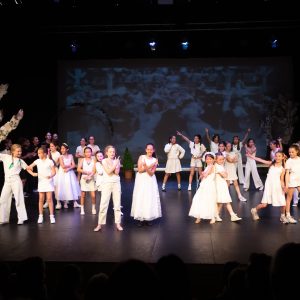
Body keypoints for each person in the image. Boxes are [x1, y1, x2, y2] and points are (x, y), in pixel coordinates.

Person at [0, 144, 35, 225]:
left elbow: (28, 168)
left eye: (20, 151)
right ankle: (3, 218)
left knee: (19, 199)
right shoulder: (6, 157)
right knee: (2, 199)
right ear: (12, 151)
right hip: (7, 181)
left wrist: (33, 171)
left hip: (16, 180)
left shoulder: (20, 161)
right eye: (18, 151)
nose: (20, 152)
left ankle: (21, 218)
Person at [249, 151, 287, 223]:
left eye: (279, 156)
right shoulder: (271, 164)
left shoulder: (283, 168)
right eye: (276, 156)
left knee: (283, 202)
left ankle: (282, 216)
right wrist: (252, 157)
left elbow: (282, 180)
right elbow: (261, 160)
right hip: (269, 186)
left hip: (277, 186)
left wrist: (283, 187)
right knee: (264, 204)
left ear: (282, 157)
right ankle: (254, 210)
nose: (277, 157)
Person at [131, 143, 161, 226]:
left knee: (149, 198)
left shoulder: (155, 160)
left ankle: (148, 217)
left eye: (151, 149)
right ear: (146, 150)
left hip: (150, 180)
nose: (149, 151)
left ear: (153, 150)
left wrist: (146, 166)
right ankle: (141, 218)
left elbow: (151, 173)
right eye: (148, 149)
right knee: (141, 197)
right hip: (141, 180)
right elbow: (140, 170)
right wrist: (149, 166)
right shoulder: (142, 157)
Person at [94, 145, 123, 232]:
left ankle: (118, 223)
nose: (112, 153)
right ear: (106, 153)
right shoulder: (104, 160)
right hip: (107, 183)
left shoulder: (116, 161)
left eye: (113, 152)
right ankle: (99, 224)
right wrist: (115, 163)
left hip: (116, 183)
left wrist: (116, 163)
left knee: (117, 204)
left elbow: (117, 172)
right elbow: (109, 172)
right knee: (103, 204)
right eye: (110, 152)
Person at [27, 147, 56, 224]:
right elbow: (28, 167)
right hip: (41, 182)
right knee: (41, 199)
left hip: (49, 182)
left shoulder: (50, 162)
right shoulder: (37, 161)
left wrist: (51, 176)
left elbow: (54, 172)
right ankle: (40, 215)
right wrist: (33, 173)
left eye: (40, 153)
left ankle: (52, 216)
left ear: (45, 153)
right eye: (38, 153)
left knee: (49, 199)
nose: (39, 154)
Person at [189, 152, 217, 224]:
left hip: (209, 185)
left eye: (210, 159)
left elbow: (206, 174)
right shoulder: (207, 166)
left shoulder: (212, 166)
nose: (208, 160)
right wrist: (202, 174)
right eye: (207, 159)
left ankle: (212, 217)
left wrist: (203, 174)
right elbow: (202, 176)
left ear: (213, 160)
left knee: (209, 200)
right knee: (198, 199)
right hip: (204, 185)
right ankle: (199, 216)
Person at [214, 153, 242, 222]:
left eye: (223, 159)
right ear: (216, 159)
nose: (222, 161)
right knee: (224, 201)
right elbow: (225, 175)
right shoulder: (216, 166)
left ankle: (217, 215)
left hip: (222, 184)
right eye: (220, 159)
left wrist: (225, 173)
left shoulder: (220, 166)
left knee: (223, 201)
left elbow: (225, 174)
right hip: (219, 185)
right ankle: (232, 215)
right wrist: (225, 173)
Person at [56, 143, 81, 209]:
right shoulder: (60, 156)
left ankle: (75, 202)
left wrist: (69, 168)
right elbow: (62, 165)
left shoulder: (70, 156)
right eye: (61, 148)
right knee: (64, 187)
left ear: (67, 149)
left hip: (69, 172)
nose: (62, 150)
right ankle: (65, 202)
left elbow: (74, 165)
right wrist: (70, 165)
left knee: (72, 186)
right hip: (63, 173)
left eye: (63, 148)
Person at [77, 146, 96, 215]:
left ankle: (93, 208)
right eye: (86, 152)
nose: (88, 153)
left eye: (89, 152)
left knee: (93, 195)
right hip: (84, 178)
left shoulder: (94, 160)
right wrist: (85, 172)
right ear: (84, 153)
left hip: (91, 178)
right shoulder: (82, 160)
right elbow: (78, 169)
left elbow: (94, 170)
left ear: (91, 153)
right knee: (83, 195)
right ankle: (82, 209)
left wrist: (90, 176)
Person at [284, 144, 300, 223]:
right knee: (289, 198)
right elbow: (287, 173)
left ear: (297, 151)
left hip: (299, 180)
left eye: (292, 152)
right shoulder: (289, 161)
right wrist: (287, 184)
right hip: (292, 180)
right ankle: (288, 215)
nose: (290, 153)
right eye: (289, 152)